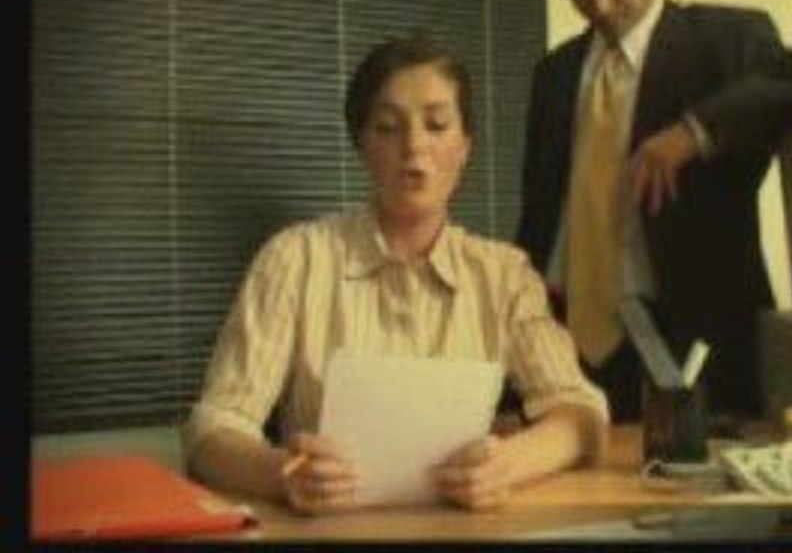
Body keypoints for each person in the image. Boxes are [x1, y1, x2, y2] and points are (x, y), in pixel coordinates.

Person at [182, 34, 609, 514]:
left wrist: (506, 465)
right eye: (388, 127)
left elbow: (581, 414)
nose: (414, 147)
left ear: (465, 146)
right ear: (362, 143)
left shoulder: (504, 275)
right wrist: (282, 473)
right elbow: (211, 431)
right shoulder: (295, 259)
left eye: (437, 124)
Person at [515, 0, 792, 423]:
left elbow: (784, 85)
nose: (597, 4)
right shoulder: (552, 75)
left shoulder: (724, 39)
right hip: (569, 351)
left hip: (692, 349)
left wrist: (691, 133)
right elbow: (542, 213)